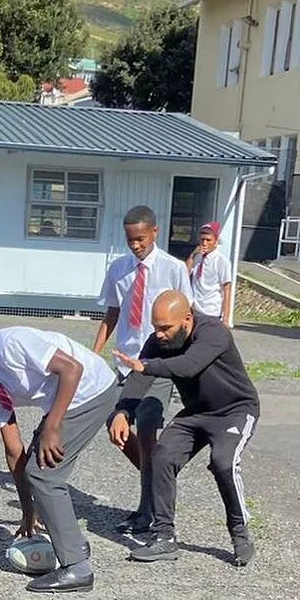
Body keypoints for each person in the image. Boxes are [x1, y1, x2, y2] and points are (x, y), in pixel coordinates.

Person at [0, 316, 118, 594]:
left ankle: (77, 568)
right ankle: (73, 543)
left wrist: (52, 426)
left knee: (45, 476)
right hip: (67, 399)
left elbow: (72, 369)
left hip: (91, 389)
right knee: (36, 469)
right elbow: (13, 450)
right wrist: (27, 513)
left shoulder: (10, 344)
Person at [113, 288, 260, 568]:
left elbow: (189, 366)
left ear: (187, 319)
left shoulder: (214, 332)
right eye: (155, 328)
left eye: (166, 328)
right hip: (196, 412)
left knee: (223, 463)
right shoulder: (160, 340)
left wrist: (147, 367)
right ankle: (164, 537)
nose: (159, 335)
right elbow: (139, 376)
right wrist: (123, 412)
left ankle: (240, 534)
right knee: (162, 456)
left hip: (235, 411)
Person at [93, 204, 190, 539]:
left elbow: (185, 319)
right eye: (130, 239)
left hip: (156, 367)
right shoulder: (119, 269)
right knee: (116, 428)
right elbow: (112, 315)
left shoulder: (174, 269)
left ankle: (147, 508)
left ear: (154, 233)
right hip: (124, 364)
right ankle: (157, 481)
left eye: (140, 238)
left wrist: (182, 365)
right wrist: (93, 356)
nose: (135, 245)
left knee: (148, 433)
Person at [188, 221, 234, 324]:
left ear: (216, 241)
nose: (204, 243)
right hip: (194, 309)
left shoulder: (221, 261)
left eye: (208, 240)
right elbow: (185, 274)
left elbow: (226, 289)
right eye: (202, 239)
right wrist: (192, 256)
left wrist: (225, 318)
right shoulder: (197, 257)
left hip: (211, 311)